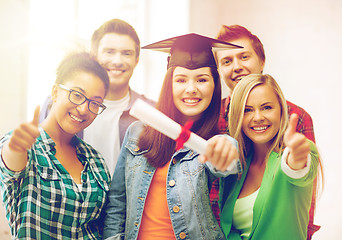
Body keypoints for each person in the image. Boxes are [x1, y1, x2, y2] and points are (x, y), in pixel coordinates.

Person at [102, 33, 242, 240]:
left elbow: (225, 163)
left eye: (202, 79)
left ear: (215, 85)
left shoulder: (219, 139)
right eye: (181, 80)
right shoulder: (137, 133)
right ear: (170, 85)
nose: (191, 89)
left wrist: (226, 151)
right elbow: (117, 202)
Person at [210, 24, 319, 239]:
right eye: (227, 61)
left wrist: (297, 157)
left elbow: (301, 186)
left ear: (261, 61)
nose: (236, 66)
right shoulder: (212, 119)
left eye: (244, 56)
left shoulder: (296, 116)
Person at [0, 52, 111, 239]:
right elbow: (11, 164)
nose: (84, 109)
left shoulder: (96, 160)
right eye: (77, 95)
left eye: (95, 103)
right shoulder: (26, 147)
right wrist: (16, 147)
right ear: (55, 92)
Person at [39, 19, 153, 176]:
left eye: (126, 53)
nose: (117, 61)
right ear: (94, 55)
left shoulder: (152, 114)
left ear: (137, 60)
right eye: (109, 52)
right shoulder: (58, 104)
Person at [219, 74, 322, 239]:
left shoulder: (292, 154)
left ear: (281, 110)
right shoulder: (239, 166)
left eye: (267, 107)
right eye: (247, 110)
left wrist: (296, 156)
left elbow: (297, 168)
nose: (258, 117)